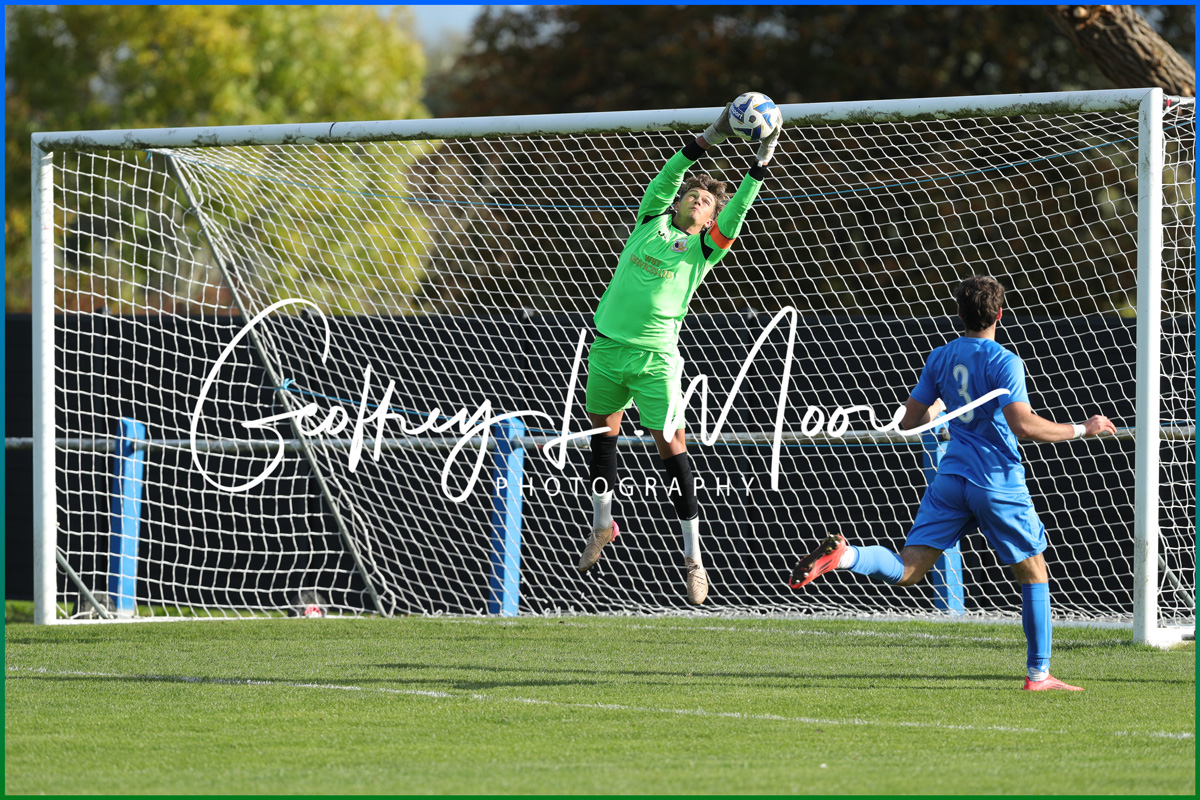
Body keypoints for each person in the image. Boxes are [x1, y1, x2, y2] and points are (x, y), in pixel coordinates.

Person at [790, 275, 1116, 690]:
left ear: (959, 313)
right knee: (1034, 573)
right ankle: (1039, 674)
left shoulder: (940, 356)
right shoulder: (1005, 360)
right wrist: (1083, 428)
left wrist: (941, 410)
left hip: (951, 478)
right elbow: (1024, 426)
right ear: (1000, 314)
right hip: (996, 481)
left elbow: (909, 421)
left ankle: (847, 555)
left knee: (908, 569)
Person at [576, 99, 782, 605]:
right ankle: (602, 525)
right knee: (602, 440)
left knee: (672, 451)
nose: (696, 200)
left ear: (711, 217)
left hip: (655, 361)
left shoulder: (704, 248)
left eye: (705, 201)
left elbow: (738, 210)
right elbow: (668, 176)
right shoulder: (650, 220)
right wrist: (710, 136)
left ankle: (694, 559)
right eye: (692, 194)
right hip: (606, 350)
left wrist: (761, 162)